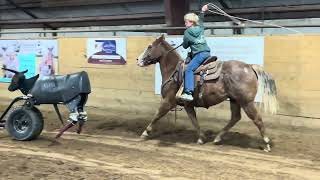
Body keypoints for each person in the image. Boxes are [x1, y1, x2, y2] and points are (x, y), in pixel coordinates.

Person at [180, 4, 211, 102]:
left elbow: (185, 46)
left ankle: (188, 92)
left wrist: (184, 42)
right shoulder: (200, 27)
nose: (185, 23)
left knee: (188, 70)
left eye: (186, 22)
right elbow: (201, 19)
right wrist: (203, 11)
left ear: (191, 22)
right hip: (207, 53)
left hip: (199, 54)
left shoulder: (187, 32)